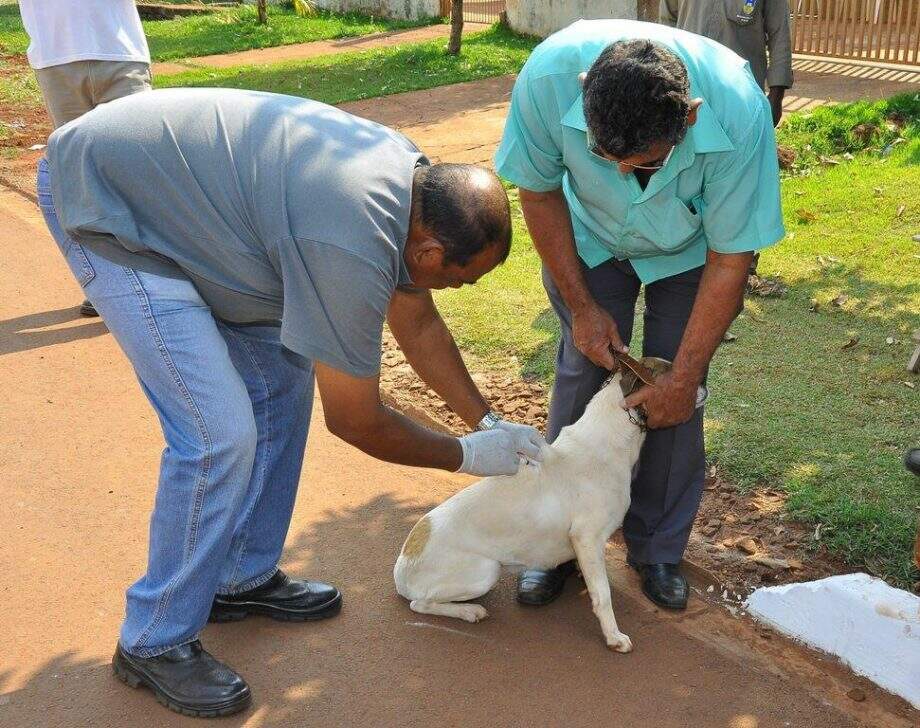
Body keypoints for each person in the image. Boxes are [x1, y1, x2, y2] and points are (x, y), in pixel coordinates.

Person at [41, 87, 545, 718]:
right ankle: (153, 638)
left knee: (280, 385)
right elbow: (356, 419)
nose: (460, 288)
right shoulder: (350, 239)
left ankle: (238, 577)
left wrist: (487, 419)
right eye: (462, 277)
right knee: (218, 433)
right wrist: (467, 455)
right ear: (429, 254)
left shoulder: (416, 188)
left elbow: (416, 321)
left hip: (199, 214)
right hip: (110, 205)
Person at [495, 20, 784, 611]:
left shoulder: (738, 110)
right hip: (590, 239)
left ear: (692, 116)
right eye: (608, 156)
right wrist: (581, 306)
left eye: (645, 160)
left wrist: (684, 377)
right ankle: (558, 546)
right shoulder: (548, 80)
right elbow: (541, 192)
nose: (625, 171)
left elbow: (732, 257)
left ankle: (657, 550)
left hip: (692, 252)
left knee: (675, 391)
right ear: (583, 90)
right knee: (582, 373)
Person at [20, 0, 152, 317]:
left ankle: (155, 279)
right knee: (81, 182)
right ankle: (109, 285)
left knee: (136, 175)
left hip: (121, 54)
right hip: (56, 58)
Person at [660, 0, 793, 127]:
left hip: (740, 97)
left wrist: (777, 95)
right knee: (688, 146)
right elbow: (667, 25)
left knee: (741, 147)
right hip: (690, 91)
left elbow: (780, 35)